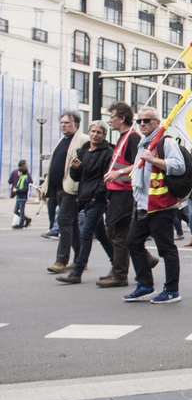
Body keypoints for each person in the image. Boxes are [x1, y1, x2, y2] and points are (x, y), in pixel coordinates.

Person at [122, 107, 186, 304]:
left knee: (166, 249)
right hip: (142, 204)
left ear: (157, 122)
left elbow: (179, 166)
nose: (142, 124)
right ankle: (145, 285)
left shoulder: (165, 142)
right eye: (139, 121)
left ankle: (172, 290)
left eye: (147, 120)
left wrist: (154, 160)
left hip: (161, 204)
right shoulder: (143, 144)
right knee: (133, 242)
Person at [57, 121, 114, 284]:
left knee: (86, 233)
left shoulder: (108, 152)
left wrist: (97, 195)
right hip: (84, 198)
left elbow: (106, 177)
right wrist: (75, 168)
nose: (95, 135)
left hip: (96, 200)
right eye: (93, 131)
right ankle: (117, 264)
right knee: (101, 235)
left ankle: (77, 271)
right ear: (89, 133)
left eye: (99, 132)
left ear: (104, 135)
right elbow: (77, 177)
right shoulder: (83, 150)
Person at [99, 101, 143, 287]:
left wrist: (120, 173)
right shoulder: (123, 137)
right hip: (116, 192)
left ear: (122, 118)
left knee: (118, 234)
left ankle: (119, 274)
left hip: (125, 193)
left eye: (112, 117)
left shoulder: (132, 138)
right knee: (116, 232)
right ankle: (145, 259)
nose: (110, 121)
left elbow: (140, 163)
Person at [44, 112, 88, 274]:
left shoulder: (82, 139)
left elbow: (87, 161)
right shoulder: (61, 141)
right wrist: (46, 187)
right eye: (62, 123)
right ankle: (80, 259)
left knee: (64, 221)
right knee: (73, 224)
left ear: (76, 124)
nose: (63, 125)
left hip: (71, 189)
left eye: (67, 123)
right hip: (58, 190)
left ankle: (61, 260)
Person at [12, 164, 32, 229]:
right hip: (18, 197)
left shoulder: (25, 179)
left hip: (22, 198)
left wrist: (17, 190)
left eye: (18, 172)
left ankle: (21, 224)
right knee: (15, 211)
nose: (17, 173)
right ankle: (27, 219)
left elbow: (26, 189)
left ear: (21, 172)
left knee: (21, 211)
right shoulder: (20, 179)